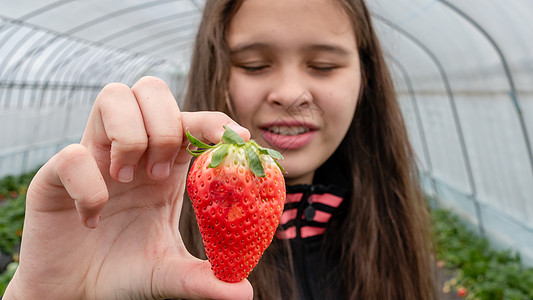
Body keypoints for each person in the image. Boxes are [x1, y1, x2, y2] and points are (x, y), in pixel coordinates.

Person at [4, 0, 437, 299]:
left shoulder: (391, 235)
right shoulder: (160, 241)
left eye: (324, 65)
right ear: (216, 69)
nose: (290, 93)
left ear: (367, 77)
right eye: (254, 64)